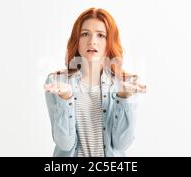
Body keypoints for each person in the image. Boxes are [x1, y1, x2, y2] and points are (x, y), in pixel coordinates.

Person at [44, 7, 146, 157]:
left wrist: (124, 96)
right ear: (76, 40)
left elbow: (122, 143)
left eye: (101, 35)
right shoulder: (57, 82)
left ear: (109, 42)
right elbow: (64, 143)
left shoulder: (124, 83)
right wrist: (65, 98)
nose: (92, 41)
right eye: (85, 34)